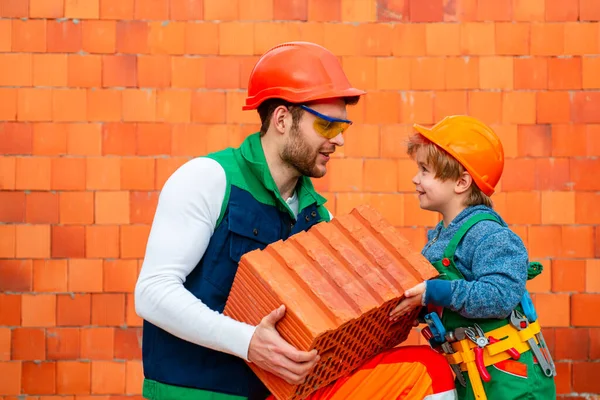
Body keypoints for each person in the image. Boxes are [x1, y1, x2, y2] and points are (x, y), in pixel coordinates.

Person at [135, 41, 457, 400]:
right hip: (195, 392)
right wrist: (248, 342)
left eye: (342, 127)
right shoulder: (209, 179)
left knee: (429, 373)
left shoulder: (320, 217)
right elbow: (152, 293)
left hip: (282, 394)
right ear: (283, 119)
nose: (340, 141)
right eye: (328, 126)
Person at [389, 115, 557, 400]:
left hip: (511, 382)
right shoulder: (440, 238)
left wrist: (435, 291)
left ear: (461, 182)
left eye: (425, 170)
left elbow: (500, 294)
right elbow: (444, 302)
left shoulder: (489, 235)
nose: (415, 179)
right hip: (473, 377)